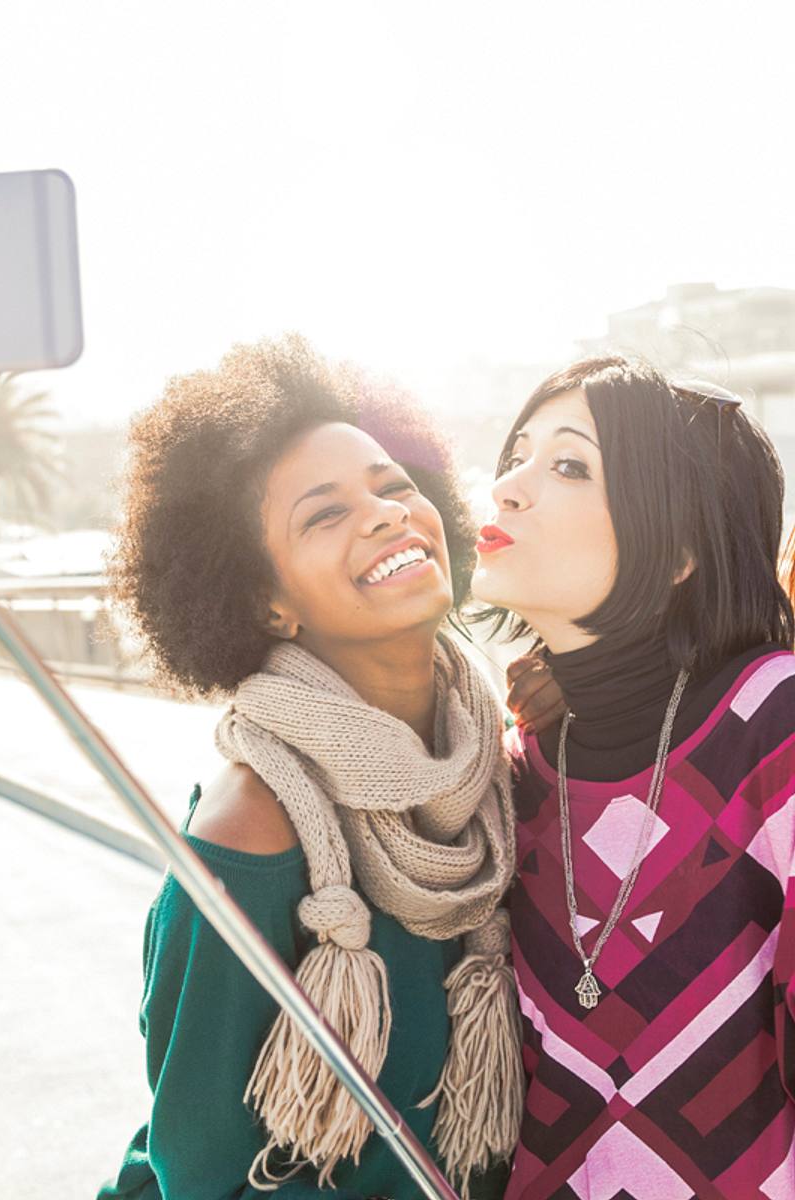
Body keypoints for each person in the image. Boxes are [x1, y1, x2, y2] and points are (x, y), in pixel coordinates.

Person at [98, 336, 561, 1200]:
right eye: (324, 515)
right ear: (262, 600)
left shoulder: (498, 754)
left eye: (393, 487)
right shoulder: (252, 823)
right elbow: (193, 1171)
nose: (387, 515)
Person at [471, 356, 795, 1198]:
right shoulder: (517, 765)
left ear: (682, 546)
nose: (508, 487)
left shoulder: (772, 725)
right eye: (519, 453)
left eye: (570, 465)